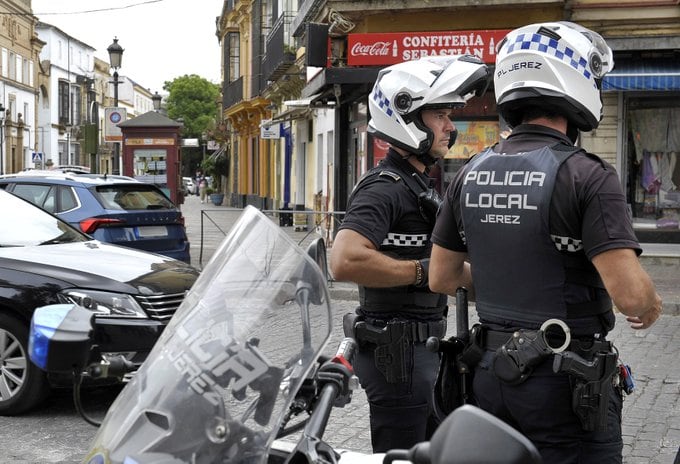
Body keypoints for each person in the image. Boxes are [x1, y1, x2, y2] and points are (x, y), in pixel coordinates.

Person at [428, 22, 662, 463]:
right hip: (564, 387)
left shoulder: (469, 173)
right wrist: (650, 304)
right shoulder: (588, 174)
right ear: (573, 81)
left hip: (488, 378)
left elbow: (442, 277)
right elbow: (630, 297)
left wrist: (506, 280)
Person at [330, 55, 490, 453]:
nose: (451, 127)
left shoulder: (415, 183)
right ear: (408, 117)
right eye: (440, 115)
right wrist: (423, 273)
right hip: (396, 355)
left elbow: (448, 268)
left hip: (421, 353)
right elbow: (344, 260)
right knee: (400, 458)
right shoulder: (383, 187)